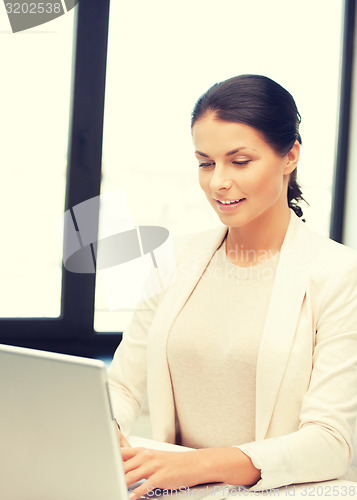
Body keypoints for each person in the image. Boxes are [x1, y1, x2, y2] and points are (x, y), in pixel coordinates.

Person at [107, 74, 357, 495]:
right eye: (206, 162)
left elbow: (330, 442)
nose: (217, 182)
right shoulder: (175, 260)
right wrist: (105, 429)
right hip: (173, 490)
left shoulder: (338, 273)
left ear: (290, 156)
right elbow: (123, 386)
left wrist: (196, 466)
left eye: (239, 161)